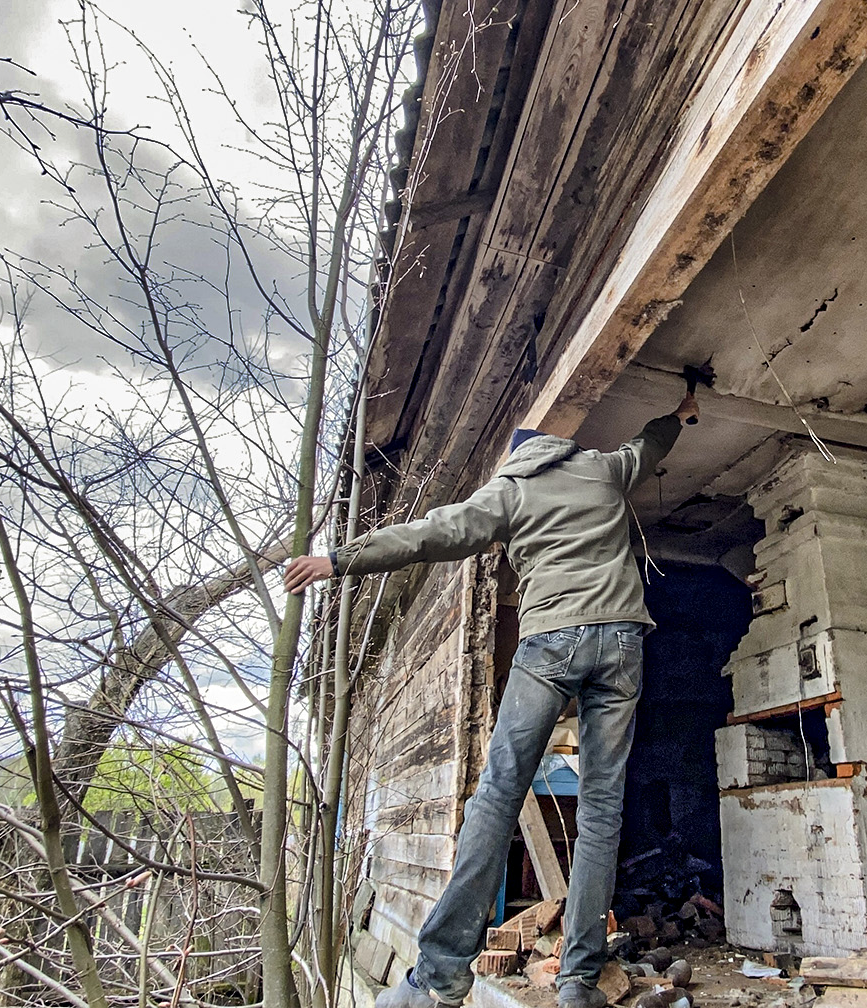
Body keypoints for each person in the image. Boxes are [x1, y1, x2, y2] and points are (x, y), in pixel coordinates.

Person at [282, 391, 699, 1008]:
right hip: (622, 645)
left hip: (551, 641)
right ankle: (579, 982)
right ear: (561, 451)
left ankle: (441, 974)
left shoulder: (508, 491)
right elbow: (650, 442)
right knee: (603, 810)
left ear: (516, 461)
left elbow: (432, 536)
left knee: (500, 793)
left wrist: (339, 558)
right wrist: (679, 411)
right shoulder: (604, 468)